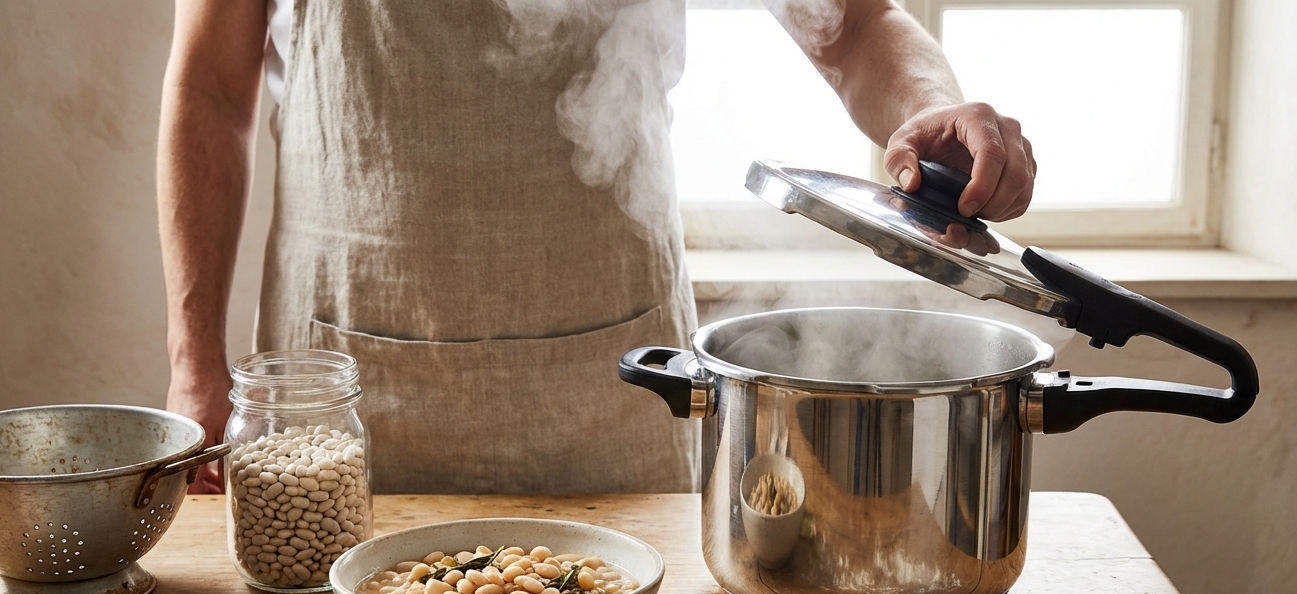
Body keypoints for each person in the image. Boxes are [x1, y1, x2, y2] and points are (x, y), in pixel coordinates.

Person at [158, 0, 1035, 495]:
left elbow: (850, 26)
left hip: (614, 384)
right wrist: (193, 365)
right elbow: (209, 90)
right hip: (340, 387)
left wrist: (932, 105)